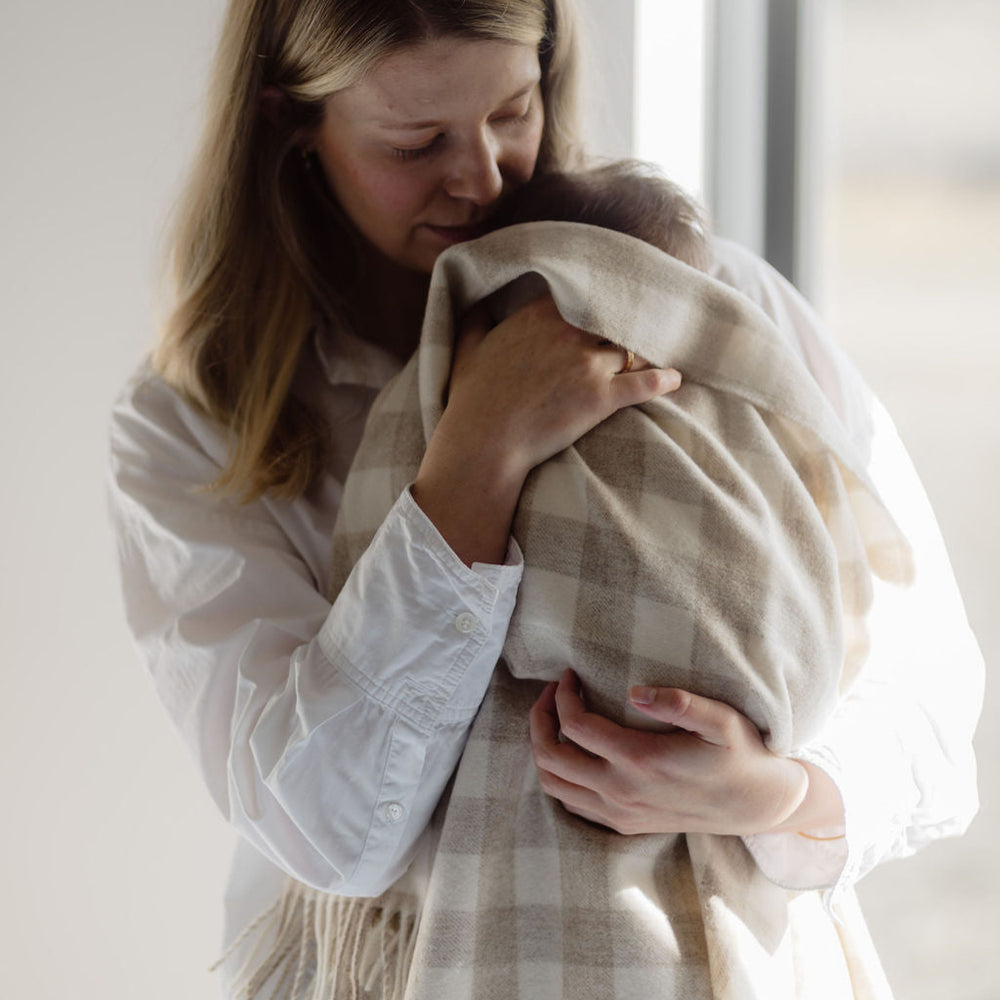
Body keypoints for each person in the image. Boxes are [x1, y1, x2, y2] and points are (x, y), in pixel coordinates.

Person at [106, 2, 983, 998]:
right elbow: (327, 827)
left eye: (511, 111)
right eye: (415, 141)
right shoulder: (200, 422)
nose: (480, 177)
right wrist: (477, 453)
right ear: (289, 119)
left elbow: (926, 688)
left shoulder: (707, 304)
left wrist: (772, 790)